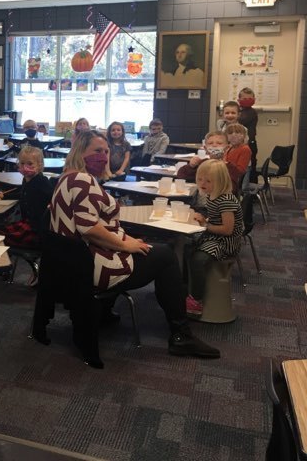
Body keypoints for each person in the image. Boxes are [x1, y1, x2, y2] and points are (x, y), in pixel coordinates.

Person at [48, 130, 220, 359]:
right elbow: (88, 228)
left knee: (146, 246)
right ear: (80, 152)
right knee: (166, 256)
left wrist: (124, 239)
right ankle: (181, 335)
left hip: (69, 264)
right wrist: (125, 245)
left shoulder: (65, 178)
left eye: (106, 151)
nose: (104, 156)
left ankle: (104, 312)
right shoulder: (83, 180)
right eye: (97, 151)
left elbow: (91, 224)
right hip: (92, 267)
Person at [185, 160, 244, 318]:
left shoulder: (226, 200)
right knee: (187, 247)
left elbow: (227, 229)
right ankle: (186, 289)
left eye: (208, 181)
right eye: (200, 179)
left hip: (227, 242)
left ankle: (196, 299)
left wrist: (205, 224)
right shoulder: (212, 196)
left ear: (220, 182)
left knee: (198, 259)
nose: (202, 184)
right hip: (215, 236)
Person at [0, 146, 54, 285]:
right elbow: (22, 193)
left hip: (36, 229)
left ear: (40, 166)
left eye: (30, 164)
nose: (25, 167)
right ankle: (4, 267)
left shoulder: (42, 182)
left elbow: (54, 197)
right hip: (27, 223)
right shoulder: (27, 180)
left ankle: (5, 267)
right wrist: (5, 195)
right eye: (22, 164)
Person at [176, 131, 243, 196]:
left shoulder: (231, 168)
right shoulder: (202, 163)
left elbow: (232, 188)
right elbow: (181, 176)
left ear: (227, 148)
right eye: (210, 143)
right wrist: (191, 166)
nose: (214, 145)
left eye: (219, 143)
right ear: (205, 148)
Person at [237, 88, 258, 180]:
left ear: (254, 99)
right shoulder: (239, 111)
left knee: (250, 166)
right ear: (239, 100)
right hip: (240, 143)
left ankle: (251, 191)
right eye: (244, 99)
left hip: (250, 143)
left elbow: (241, 120)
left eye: (250, 99)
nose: (247, 101)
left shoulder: (252, 112)